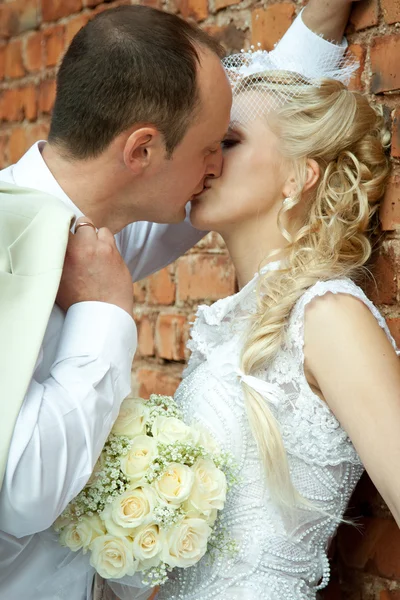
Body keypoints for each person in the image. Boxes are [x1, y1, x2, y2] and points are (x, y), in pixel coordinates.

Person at [0, 3, 360, 599]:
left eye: (227, 144)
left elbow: (257, 154)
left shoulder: (92, 228)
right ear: (141, 151)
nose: (216, 167)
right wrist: (104, 314)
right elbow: (25, 492)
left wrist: (318, 27)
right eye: (212, 146)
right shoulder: (13, 246)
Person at [153, 51, 400, 600]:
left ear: (299, 174)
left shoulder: (328, 315)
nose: (207, 159)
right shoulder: (228, 324)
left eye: (230, 141)